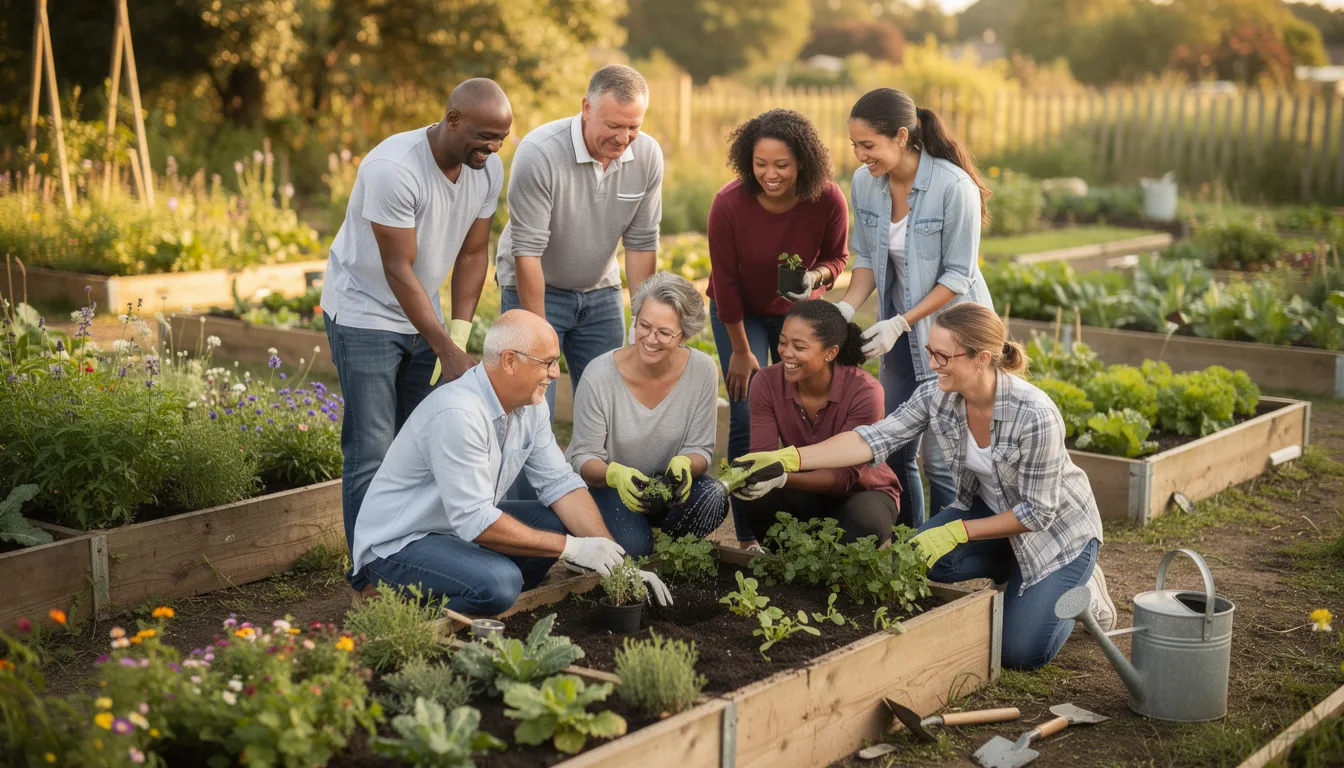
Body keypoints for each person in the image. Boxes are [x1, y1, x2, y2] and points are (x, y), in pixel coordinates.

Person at [730, 303, 1115, 670]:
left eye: (944, 357)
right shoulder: (938, 395)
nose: (932, 365)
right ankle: (1015, 567)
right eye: (931, 352)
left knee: (1019, 652)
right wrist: (790, 459)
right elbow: (874, 438)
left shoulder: (1034, 414)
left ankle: (1085, 590)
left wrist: (958, 530)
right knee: (930, 562)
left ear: (982, 358)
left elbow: (1039, 512)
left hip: (1056, 535)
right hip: (995, 514)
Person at [349, 310, 672, 614]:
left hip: (455, 531)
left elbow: (560, 484)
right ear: (509, 361)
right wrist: (573, 550)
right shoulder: (459, 414)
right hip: (401, 544)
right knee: (500, 584)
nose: (555, 373)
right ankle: (392, 601)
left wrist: (619, 565)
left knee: (555, 523)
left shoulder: (530, 406)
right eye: (547, 362)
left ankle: (467, 584)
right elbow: (475, 520)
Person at [320, 78, 512, 557]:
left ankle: (412, 554)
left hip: (423, 317)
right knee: (373, 448)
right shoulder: (393, 168)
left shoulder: (487, 170)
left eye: (502, 138)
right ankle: (368, 571)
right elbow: (397, 269)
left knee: (422, 439)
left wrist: (459, 338)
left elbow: (473, 252)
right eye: (486, 135)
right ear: (452, 119)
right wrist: (446, 349)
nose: (493, 147)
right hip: (364, 312)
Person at [831, 87, 994, 528]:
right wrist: (846, 309)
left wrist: (902, 321)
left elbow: (958, 276)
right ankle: (910, 543)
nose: (861, 156)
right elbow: (865, 257)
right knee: (895, 444)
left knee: (942, 460)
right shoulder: (866, 184)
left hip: (953, 336)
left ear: (901, 137)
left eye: (869, 145)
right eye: (855, 146)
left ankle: (946, 556)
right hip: (899, 333)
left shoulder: (952, 186)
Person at [707, 108, 850, 547]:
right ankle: (748, 533)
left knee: (801, 404)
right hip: (739, 313)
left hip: (798, 312)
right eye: (760, 164)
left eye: (782, 165)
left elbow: (837, 258)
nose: (770, 174)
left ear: (802, 162)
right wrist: (740, 350)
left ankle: (796, 517)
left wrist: (816, 278)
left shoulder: (827, 199)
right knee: (747, 412)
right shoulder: (729, 203)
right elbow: (725, 283)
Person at [496, 64, 663, 419]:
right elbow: (527, 252)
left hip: (600, 294)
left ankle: (592, 476)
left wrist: (643, 322)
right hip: (536, 287)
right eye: (614, 126)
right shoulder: (540, 153)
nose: (623, 138)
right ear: (586, 108)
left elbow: (642, 244)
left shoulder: (647, 156)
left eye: (634, 127)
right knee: (532, 407)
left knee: (605, 407)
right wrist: (539, 336)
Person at [565, 272, 726, 557]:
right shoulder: (599, 375)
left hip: (668, 487)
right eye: (644, 326)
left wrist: (685, 464)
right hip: (609, 489)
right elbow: (582, 458)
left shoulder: (702, 371)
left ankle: (675, 553)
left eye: (664, 333)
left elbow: (701, 449)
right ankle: (628, 539)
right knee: (636, 548)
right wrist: (614, 474)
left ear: (684, 335)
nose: (650, 339)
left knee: (713, 497)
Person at [733, 300, 901, 546]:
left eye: (799, 347)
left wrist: (782, 478)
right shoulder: (766, 382)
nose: (786, 353)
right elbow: (763, 456)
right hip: (804, 489)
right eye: (782, 342)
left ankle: (835, 573)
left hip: (862, 492)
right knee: (758, 497)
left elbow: (845, 476)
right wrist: (760, 476)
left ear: (830, 352)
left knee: (863, 521)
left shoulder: (865, 392)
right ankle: (791, 571)